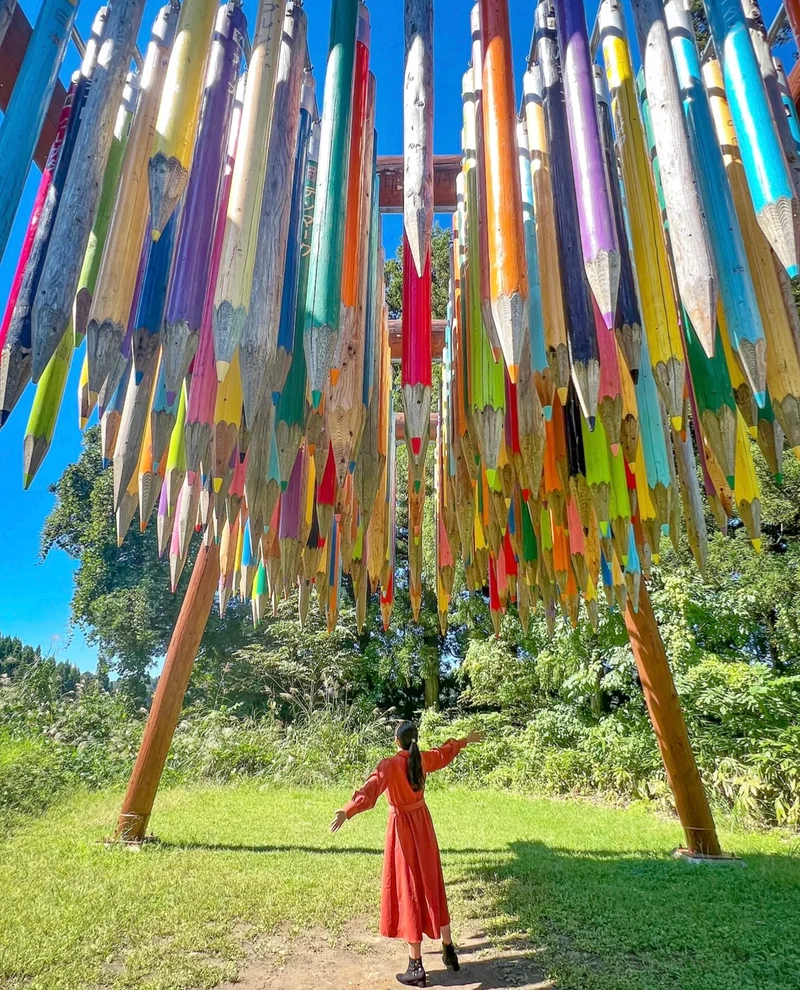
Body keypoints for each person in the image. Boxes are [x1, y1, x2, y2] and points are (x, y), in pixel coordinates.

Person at [330, 721, 484, 987]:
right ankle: (448, 949)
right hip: (423, 825)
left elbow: (370, 789)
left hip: (403, 830)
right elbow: (443, 753)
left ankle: (416, 966)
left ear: (396, 741)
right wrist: (463, 741)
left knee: (409, 888)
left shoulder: (390, 765)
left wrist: (348, 810)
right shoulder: (421, 759)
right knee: (432, 883)